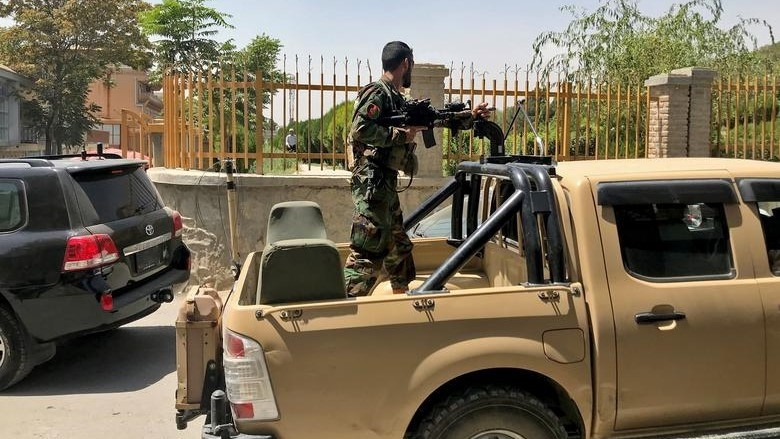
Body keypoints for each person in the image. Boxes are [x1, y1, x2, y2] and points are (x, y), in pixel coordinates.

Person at [343, 40, 490, 296]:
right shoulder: (377, 93)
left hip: (384, 183)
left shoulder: (397, 98)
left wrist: (471, 116)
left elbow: (435, 118)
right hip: (372, 185)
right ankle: (346, 303)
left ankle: (403, 301)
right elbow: (360, 129)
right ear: (406, 63)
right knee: (368, 249)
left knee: (399, 247)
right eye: (411, 63)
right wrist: (401, 135)